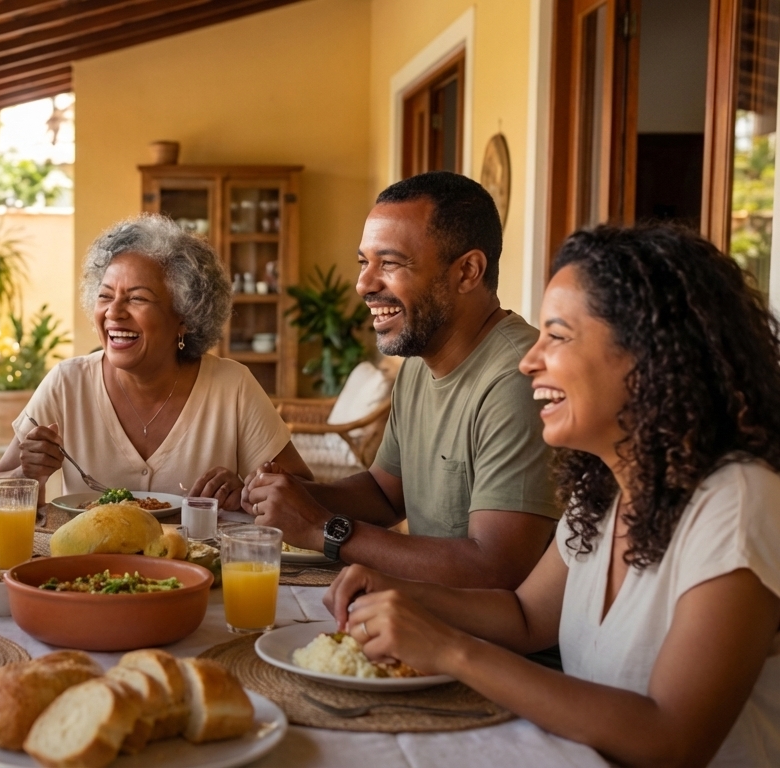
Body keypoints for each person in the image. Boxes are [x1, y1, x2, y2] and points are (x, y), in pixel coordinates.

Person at [323, 225, 780, 767]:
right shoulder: (606, 485)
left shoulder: (738, 501)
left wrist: (448, 649)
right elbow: (523, 615)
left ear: (649, 356)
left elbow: (672, 739)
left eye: (557, 336)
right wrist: (400, 593)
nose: (527, 360)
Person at [245, 172, 558, 588]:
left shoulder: (518, 380)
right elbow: (383, 493)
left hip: (486, 640)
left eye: (389, 263)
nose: (364, 284)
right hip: (429, 612)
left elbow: (496, 567)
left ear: (467, 272)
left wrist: (323, 528)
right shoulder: (420, 360)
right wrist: (280, 495)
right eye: (364, 262)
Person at [0, 214, 312, 508]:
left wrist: (245, 493)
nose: (113, 313)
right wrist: (27, 473)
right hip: (89, 572)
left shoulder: (232, 387)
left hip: (199, 570)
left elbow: (306, 493)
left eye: (137, 298)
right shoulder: (67, 383)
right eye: (105, 296)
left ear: (185, 316)